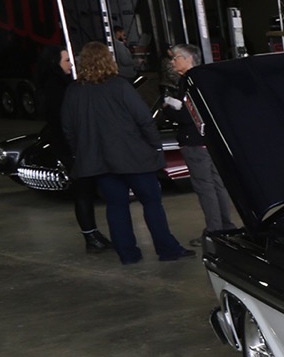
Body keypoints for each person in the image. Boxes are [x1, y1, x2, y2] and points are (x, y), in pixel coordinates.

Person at [60, 42, 192, 265]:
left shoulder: (74, 91)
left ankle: (128, 254)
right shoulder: (120, 86)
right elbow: (143, 119)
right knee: (151, 202)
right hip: (134, 156)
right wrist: (155, 146)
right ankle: (167, 249)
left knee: (116, 206)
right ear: (108, 60)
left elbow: (68, 128)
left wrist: (82, 152)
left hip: (100, 161)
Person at [34, 42, 112, 253]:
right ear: (55, 63)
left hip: (68, 146)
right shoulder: (57, 87)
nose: (71, 64)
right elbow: (65, 121)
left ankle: (92, 234)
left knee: (84, 190)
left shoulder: (54, 85)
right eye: (67, 60)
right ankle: (91, 236)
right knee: (83, 191)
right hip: (70, 147)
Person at [162, 44, 237, 240]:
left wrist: (168, 109)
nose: (173, 62)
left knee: (205, 187)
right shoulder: (205, 79)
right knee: (217, 184)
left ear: (189, 59)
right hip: (209, 140)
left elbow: (188, 116)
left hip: (194, 142)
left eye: (176, 57)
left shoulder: (188, 82)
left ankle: (214, 230)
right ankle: (226, 226)